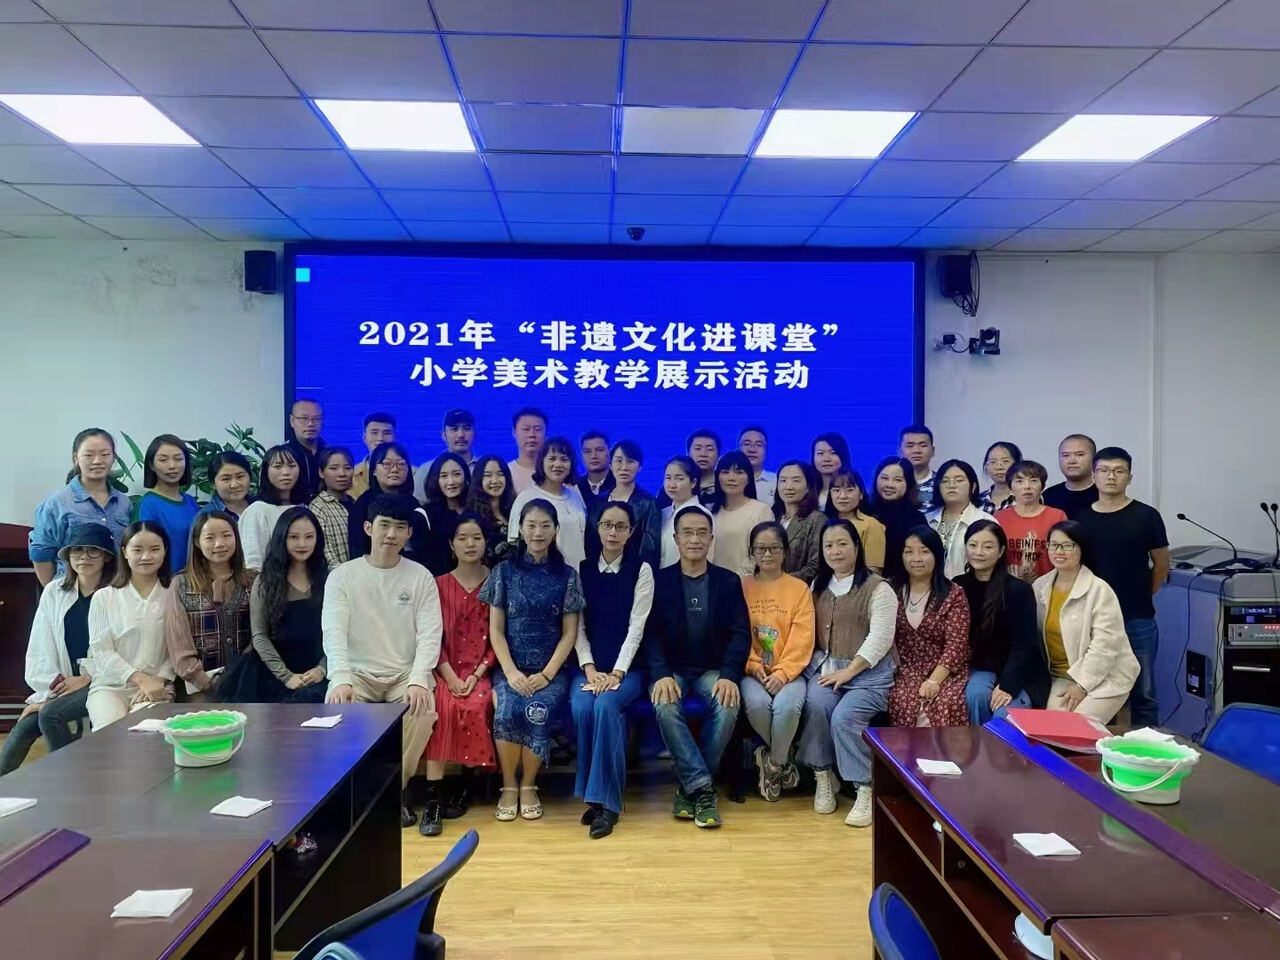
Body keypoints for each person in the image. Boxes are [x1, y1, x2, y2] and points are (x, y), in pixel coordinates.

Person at [324, 494, 442, 828]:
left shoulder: (420, 576)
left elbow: (430, 632)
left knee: (422, 709)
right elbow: (334, 630)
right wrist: (340, 677)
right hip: (357, 672)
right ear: (368, 528)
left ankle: (394, 791)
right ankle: (357, 794)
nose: (391, 534)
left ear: (409, 534)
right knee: (337, 709)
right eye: (384, 525)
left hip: (404, 672)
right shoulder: (343, 576)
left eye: (400, 527)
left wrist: (418, 678)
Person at [646, 506, 750, 829]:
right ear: (676, 539)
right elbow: (649, 634)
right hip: (672, 669)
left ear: (711, 539)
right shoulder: (659, 581)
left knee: (729, 705)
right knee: (664, 705)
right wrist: (661, 674)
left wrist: (729, 675)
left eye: (702, 533)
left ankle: (690, 787)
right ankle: (703, 789)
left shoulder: (728, 581)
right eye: (687, 533)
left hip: (711, 669)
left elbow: (740, 633)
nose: (695, 539)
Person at [482, 499, 584, 822]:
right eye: (531, 525)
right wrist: (511, 672)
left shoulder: (567, 576)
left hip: (551, 672)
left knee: (537, 710)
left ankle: (528, 784)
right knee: (508, 708)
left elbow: (569, 633)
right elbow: (495, 630)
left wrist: (547, 674)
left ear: (555, 530)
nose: (538, 532)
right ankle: (508, 785)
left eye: (545, 526)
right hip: (510, 669)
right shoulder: (503, 572)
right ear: (520, 529)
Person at [798, 519, 899, 827]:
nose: (835, 551)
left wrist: (850, 672)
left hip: (869, 677)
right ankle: (823, 775)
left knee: (844, 718)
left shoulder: (879, 588)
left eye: (843, 544)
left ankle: (865, 787)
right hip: (827, 670)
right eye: (829, 545)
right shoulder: (817, 586)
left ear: (857, 547)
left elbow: (881, 637)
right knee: (815, 705)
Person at [0, 524, 115, 775]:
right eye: (77, 550)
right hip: (62, 684)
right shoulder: (55, 591)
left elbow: (120, 650)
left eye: (93, 550)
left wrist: (87, 677)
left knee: (49, 715)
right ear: (68, 556)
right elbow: (40, 647)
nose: (84, 557)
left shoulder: (116, 594)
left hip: (104, 681)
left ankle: (66, 779)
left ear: (107, 556)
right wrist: (54, 689)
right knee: (25, 726)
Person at [573, 501, 654, 838]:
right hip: (590, 668)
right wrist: (590, 669)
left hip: (629, 670)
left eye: (621, 527)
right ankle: (592, 797)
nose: (613, 532)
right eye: (607, 525)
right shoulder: (582, 569)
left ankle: (608, 804)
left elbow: (637, 627)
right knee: (582, 706)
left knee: (606, 706)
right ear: (598, 528)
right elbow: (576, 626)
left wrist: (617, 673)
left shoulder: (642, 569)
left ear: (630, 532)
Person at [1076, 447, 1169, 726]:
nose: (1111, 477)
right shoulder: (1080, 519)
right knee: (1096, 688)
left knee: (1145, 692)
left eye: (1119, 471)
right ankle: (1099, 745)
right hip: (1093, 618)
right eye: (1104, 471)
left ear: (1129, 477)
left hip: (1137, 617)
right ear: (1094, 476)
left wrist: (1141, 594)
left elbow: (1161, 565)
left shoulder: (1147, 516)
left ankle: (1146, 743)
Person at [420, 515, 497, 837]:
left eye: (476, 537)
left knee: (479, 704)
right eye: (462, 538)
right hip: (444, 668)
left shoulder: (495, 582)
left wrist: (477, 674)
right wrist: (450, 676)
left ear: (486, 542)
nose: (470, 544)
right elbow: (430, 636)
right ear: (452, 544)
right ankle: (433, 797)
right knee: (442, 705)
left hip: (481, 670)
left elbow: (499, 638)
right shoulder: (437, 585)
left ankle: (467, 786)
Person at [218, 506, 328, 704]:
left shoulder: (328, 579)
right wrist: (285, 676)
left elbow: (338, 632)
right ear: (281, 538)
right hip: (272, 672)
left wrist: (323, 668)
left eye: (309, 537)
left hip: (318, 670)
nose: (302, 544)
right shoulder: (266, 581)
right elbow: (259, 635)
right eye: (293, 537)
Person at [1033, 521, 1139, 723]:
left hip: (1107, 676)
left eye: (1068, 545)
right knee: (1050, 727)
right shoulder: (1040, 586)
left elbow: (1104, 647)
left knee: (1076, 726)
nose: (1059, 551)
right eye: (1053, 545)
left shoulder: (1099, 590)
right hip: (1061, 677)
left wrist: (1082, 685)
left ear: (1082, 548)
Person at [741, 521, 815, 802]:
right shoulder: (742, 587)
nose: (767, 554)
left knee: (786, 708)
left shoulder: (799, 589)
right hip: (752, 671)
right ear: (752, 552)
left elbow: (803, 638)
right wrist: (753, 665)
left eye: (774, 548)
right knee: (758, 704)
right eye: (760, 549)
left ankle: (772, 762)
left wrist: (783, 673)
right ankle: (785, 759)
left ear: (785, 551)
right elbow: (736, 633)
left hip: (790, 672)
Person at [954, 520, 1049, 725]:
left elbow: (1024, 646)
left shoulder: (1019, 590)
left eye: (988, 546)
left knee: (1003, 715)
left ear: (1001, 551)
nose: (979, 552)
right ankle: (978, 744)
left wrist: (1008, 685)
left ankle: (1000, 746)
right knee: (975, 697)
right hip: (981, 668)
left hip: (1020, 670)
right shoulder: (959, 586)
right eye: (973, 545)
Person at [86, 522, 175, 729]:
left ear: (165, 551)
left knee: (144, 731)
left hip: (158, 684)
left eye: (154, 549)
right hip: (110, 686)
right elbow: (101, 651)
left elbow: (180, 646)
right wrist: (140, 679)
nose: (146, 556)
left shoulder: (174, 593)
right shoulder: (104, 597)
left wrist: (159, 680)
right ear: (125, 552)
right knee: (108, 732)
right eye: (137, 550)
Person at [164, 511, 253, 700]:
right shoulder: (181, 584)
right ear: (197, 542)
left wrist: (239, 676)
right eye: (210, 538)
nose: (219, 544)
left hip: (247, 682)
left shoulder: (253, 581)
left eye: (226, 536)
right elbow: (179, 645)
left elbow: (262, 635)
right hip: (200, 688)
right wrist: (205, 682)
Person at [887, 527, 969, 728]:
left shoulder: (953, 594)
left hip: (945, 671)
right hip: (905, 670)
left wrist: (934, 681)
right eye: (909, 552)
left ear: (936, 555)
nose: (916, 558)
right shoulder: (891, 590)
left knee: (946, 703)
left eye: (924, 551)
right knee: (902, 701)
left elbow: (956, 646)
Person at [30, 428, 130, 585]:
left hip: (115, 590)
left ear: (113, 458)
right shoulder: (56, 503)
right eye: (89, 455)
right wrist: (57, 593)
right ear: (76, 458)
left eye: (105, 454)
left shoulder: (123, 503)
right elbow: (41, 554)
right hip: (71, 590)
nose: (97, 461)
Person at [507, 436, 589, 570]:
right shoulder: (526, 498)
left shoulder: (575, 495)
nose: (558, 464)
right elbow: (516, 545)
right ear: (541, 462)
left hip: (577, 574)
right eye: (552, 459)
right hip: (541, 575)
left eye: (564, 459)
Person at [347, 442, 429, 565]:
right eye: (387, 464)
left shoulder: (413, 503)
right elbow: (358, 550)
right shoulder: (363, 505)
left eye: (401, 464)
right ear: (373, 470)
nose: (395, 469)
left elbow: (422, 547)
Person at [585, 439, 662, 570]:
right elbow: (590, 540)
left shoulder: (649, 503)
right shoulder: (598, 501)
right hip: (598, 570)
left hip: (634, 572)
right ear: (610, 465)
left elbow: (650, 549)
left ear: (640, 466)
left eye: (630, 461)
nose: (624, 467)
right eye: (619, 461)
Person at [132, 434, 200, 573]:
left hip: (195, 581)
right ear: (152, 465)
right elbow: (142, 553)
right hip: (164, 582)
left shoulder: (191, 502)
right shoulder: (146, 505)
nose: (172, 466)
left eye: (178, 459)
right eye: (163, 460)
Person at [995, 460, 1068, 583]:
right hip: (1007, 587)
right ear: (1010, 488)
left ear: (1042, 487)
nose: (1027, 486)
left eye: (1033, 480)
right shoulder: (999, 518)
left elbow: (1065, 555)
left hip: (1048, 586)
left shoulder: (1057, 516)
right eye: (1019, 481)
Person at [240, 444, 308, 571]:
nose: (286, 472)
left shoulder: (304, 508)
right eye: (277, 466)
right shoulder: (257, 510)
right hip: (270, 581)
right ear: (265, 471)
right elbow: (253, 564)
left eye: (292, 466)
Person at [865, 456, 928, 583]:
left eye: (898, 480)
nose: (889, 485)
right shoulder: (865, 512)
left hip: (903, 584)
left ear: (908, 484)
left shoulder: (916, 519)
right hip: (864, 584)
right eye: (884, 478)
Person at [711, 451, 773, 577]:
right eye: (725, 472)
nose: (731, 478)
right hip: (713, 583)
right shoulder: (711, 513)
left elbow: (762, 553)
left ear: (749, 478)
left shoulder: (761, 511)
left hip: (747, 582)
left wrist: (735, 580)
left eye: (739, 472)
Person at [926, 459, 988, 579]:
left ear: (973, 487)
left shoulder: (985, 522)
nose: (952, 485)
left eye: (959, 480)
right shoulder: (927, 520)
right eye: (945, 481)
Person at [659, 455, 714, 569]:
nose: (672, 485)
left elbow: (708, 558)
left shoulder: (702, 516)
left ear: (693, 482)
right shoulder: (663, 513)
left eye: (679, 479)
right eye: (668, 478)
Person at [773, 460, 824, 584]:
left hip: (798, 589)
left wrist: (781, 582)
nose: (788, 487)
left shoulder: (816, 519)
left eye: (796, 481)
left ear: (808, 487)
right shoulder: (774, 518)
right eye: (783, 480)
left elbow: (816, 565)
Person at [420, 452, 471, 576]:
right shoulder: (424, 515)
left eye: (456, 474)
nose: (451, 481)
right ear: (435, 480)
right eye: (443, 476)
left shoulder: (476, 511)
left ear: (466, 477)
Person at [828, 467, 886, 573]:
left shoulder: (872, 525)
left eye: (849, 490)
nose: (842, 496)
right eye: (836, 490)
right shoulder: (824, 523)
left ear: (861, 494)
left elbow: (873, 572)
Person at [310, 446, 355, 569]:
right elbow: (327, 554)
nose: (342, 474)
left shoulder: (356, 503)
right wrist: (346, 576)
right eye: (334, 468)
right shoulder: (318, 507)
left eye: (347, 468)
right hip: (339, 576)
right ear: (321, 472)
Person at [414, 409, 477, 496]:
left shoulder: (485, 469)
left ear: (475, 433)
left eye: (467, 428)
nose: (461, 435)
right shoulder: (426, 470)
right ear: (444, 435)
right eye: (454, 429)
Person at [468, 454, 515, 568]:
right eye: (488, 475)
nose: (495, 480)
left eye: (500, 474)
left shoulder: (513, 511)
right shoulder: (472, 518)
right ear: (479, 480)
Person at [1044, 434, 1100, 518]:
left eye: (1080, 454)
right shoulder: (1048, 496)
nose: (1072, 461)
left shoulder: (1105, 494)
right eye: (1066, 455)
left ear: (1094, 459)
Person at [351, 412, 396, 500]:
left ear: (395, 437)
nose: (380, 438)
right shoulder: (351, 476)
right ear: (364, 437)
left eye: (386, 433)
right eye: (374, 433)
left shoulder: (413, 474)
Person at [286, 397, 326, 496]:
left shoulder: (331, 454)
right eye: (304, 418)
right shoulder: (282, 455)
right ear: (292, 421)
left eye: (316, 419)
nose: (310, 424)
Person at [201, 451, 254, 521]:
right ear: (213, 484)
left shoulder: (262, 506)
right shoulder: (206, 517)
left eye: (240, 476)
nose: (234, 485)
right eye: (226, 479)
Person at [508, 407, 548, 494]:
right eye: (526, 429)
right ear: (514, 432)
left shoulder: (555, 472)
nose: (532, 434)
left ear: (546, 434)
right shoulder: (506, 473)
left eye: (537, 429)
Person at [811, 432, 852, 515]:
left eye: (833, 453)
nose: (826, 459)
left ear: (843, 456)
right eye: (820, 453)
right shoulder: (807, 489)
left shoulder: (853, 488)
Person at [978, 441, 1021, 514]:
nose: (999, 467)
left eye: (1005, 461)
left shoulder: (1025, 498)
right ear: (986, 467)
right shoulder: (977, 500)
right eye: (993, 462)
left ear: (1018, 465)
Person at [899, 424, 937, 506]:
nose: (916, 450)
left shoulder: (942, 483)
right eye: (910, 446)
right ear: (899, 451)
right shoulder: (891, 484)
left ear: (932, 451)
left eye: (923, 445)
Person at [739, 426, 776, 505]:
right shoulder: (726, 480)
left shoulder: (776, 482)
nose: (752, 450)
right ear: (737, 449)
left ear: (766, 451)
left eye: (759, 445)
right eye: (747, 444)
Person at [576, 430, 614, 501]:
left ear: (610, 452)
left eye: (599, 450)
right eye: (587, 451)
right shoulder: (575, 487)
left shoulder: (621, 484)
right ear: (581, 455)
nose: (593, 456)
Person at [687, 428, 721, 507]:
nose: (703, 454)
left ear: (718, 454)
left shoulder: (725, 485)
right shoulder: (676, 485)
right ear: (688, 452)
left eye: (709, 449)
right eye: (697, 449)